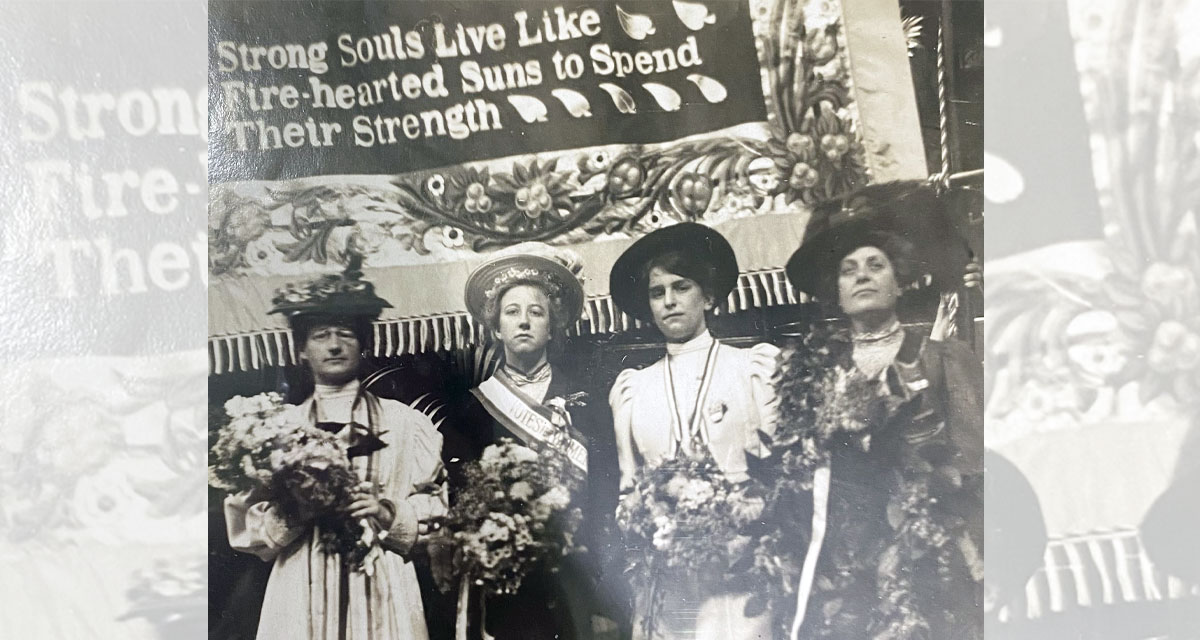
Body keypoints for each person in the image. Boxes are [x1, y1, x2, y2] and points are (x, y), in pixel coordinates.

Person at [782, 181, 983, 639]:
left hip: (928, 552)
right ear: (836, 290)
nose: (863, 276)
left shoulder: (941, 359)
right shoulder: (811, 373)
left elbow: (973, 466)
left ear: (899, 281)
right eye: (849, 270)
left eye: (877, 265)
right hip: (843, 559)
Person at [223, 261, 447, 640]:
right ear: (301, 351)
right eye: (320, 335)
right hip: (301, 588)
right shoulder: (275, 427)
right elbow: (245, 527)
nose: (334, 345)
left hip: (384, 585)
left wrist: (388, 512)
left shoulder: (407, 424)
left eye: (346, 334)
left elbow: (437, 509)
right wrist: (296, 511)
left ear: (364, 345)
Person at [607, 223, 781, 640]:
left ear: (707, 295)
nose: (669, 301)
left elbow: (779, 478)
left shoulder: (751, 369)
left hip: (739, 571)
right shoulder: (634, 388)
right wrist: (645, 521)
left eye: (681, 287)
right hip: (666, 579)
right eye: (657, 292)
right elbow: (627, 492)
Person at [455, 243, 621, 640]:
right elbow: (462, 497)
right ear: (496, 328)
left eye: (536, 312)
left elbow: (606, 489)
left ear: (552, 326)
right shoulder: (473, 408)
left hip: (578, 575)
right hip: (505, 577)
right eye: (512, 313)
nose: (524, 322)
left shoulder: (588, 402)